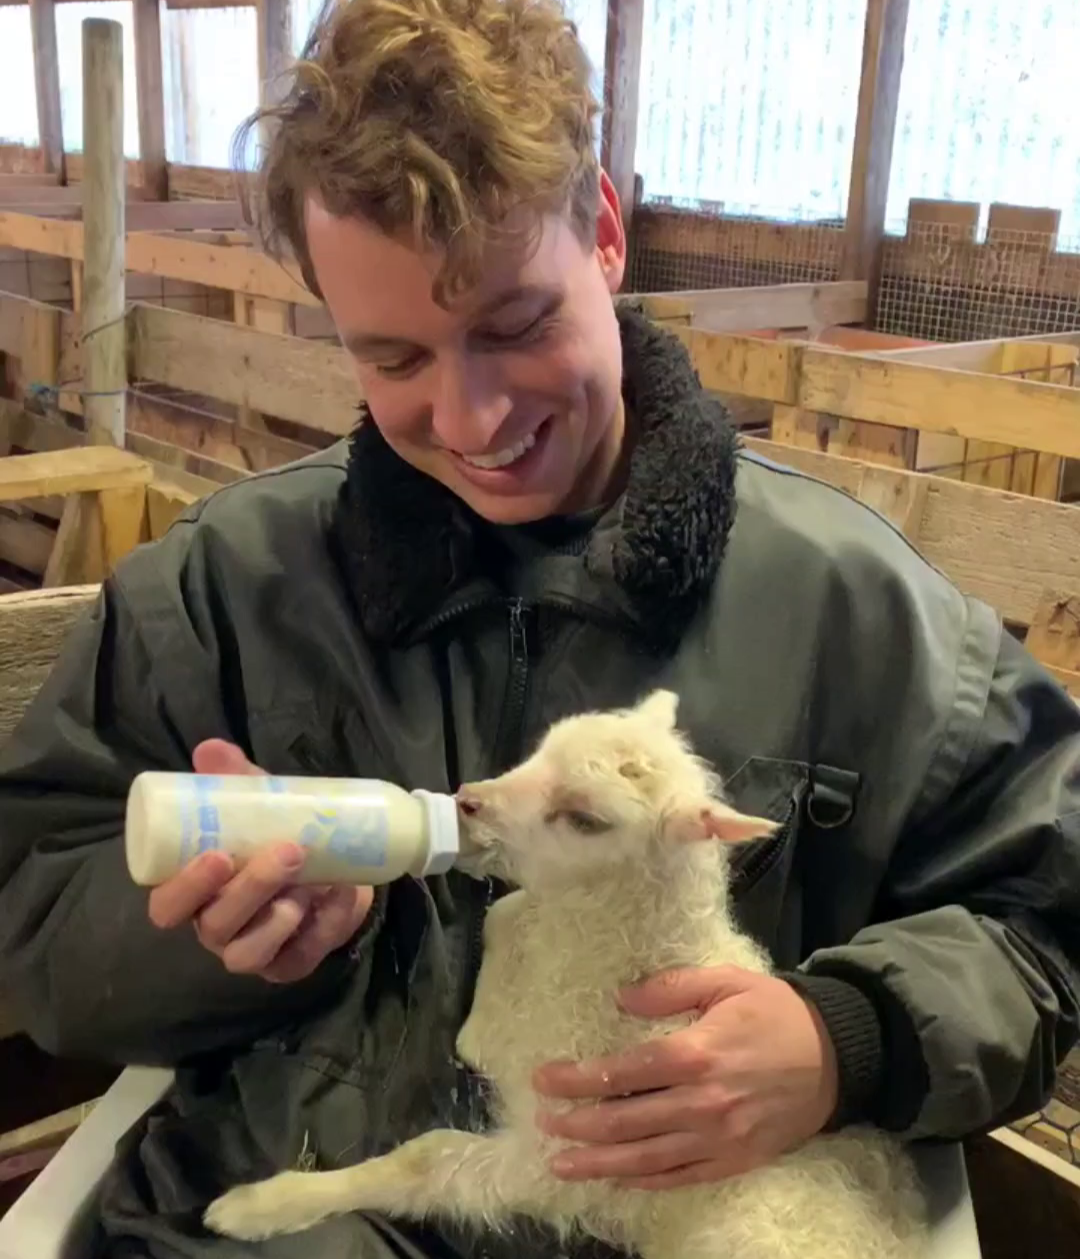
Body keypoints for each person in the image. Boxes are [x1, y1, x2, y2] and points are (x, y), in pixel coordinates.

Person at [1, 0, 1078, 1255]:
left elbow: (1048, 912)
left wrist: (847, 1038)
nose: (469, 417)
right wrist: (196, 941)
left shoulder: (861, 615)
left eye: (515, 326)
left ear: (605, 237)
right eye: (393, 356)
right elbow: (35, 905)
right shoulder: (221, 594)